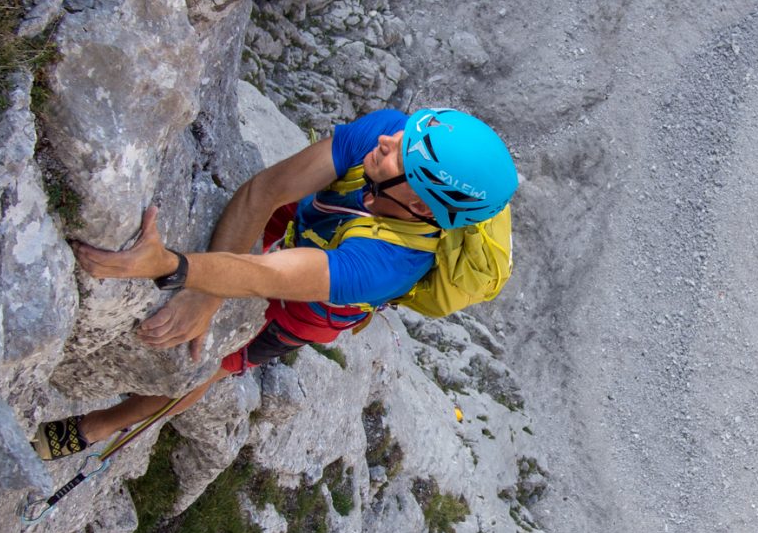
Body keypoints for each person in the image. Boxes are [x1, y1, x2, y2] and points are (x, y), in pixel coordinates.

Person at [33, 106, 518, 460]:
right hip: (316, 218)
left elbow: (268, 277)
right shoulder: (385, 133)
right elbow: (265, 191)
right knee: (224, 290)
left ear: (418, 205)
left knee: (212, 362)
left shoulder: (389, 264)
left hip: (315, 305)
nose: (389, 142)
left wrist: (173, 266)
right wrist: (203, 293)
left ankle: (100, 426)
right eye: (404, 135)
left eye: (402, 159)